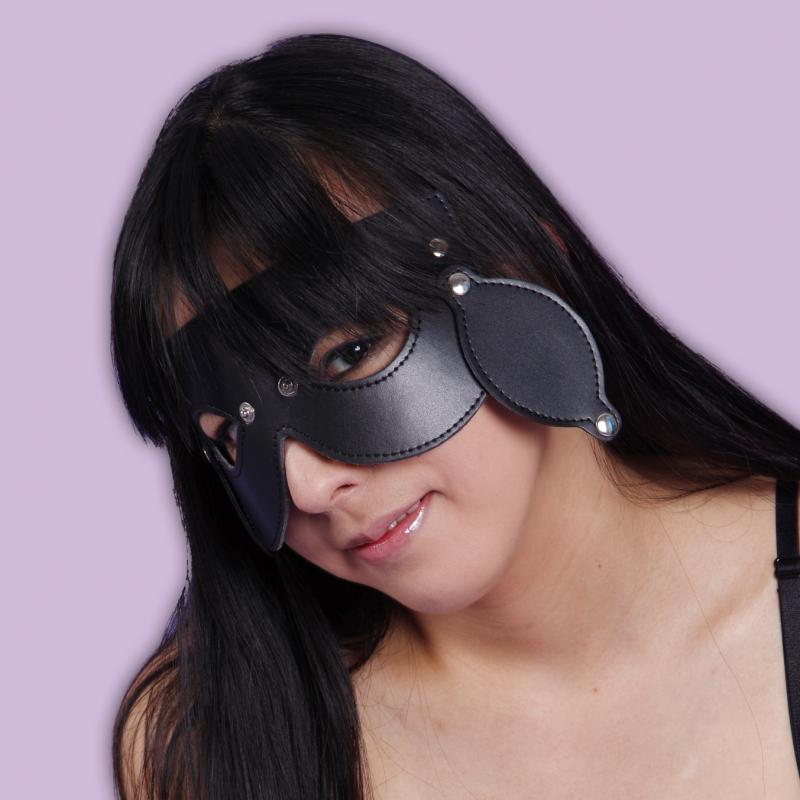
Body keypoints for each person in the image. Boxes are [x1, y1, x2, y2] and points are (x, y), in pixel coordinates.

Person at [109, 32, 800, 799]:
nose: (307, 487)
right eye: (233, 436)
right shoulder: (210, 742)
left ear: (531, 263)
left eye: (348, 356)